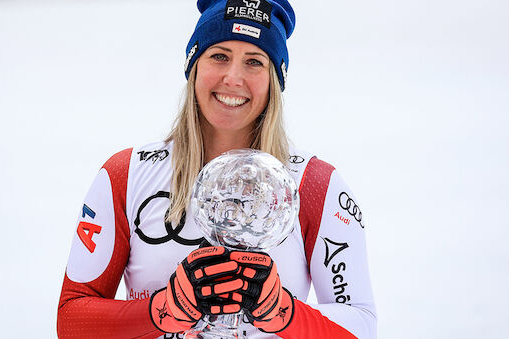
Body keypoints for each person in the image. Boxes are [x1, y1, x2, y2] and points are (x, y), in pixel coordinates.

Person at [57, 0, 376, 338]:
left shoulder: (315, 185)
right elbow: (72, 319)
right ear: (193, 64)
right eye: (219, 56)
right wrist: (162, 310)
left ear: (274, 79)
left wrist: (283, 311)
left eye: (254, 61)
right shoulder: (126, 174)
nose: (233, 78)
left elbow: (362, 327)